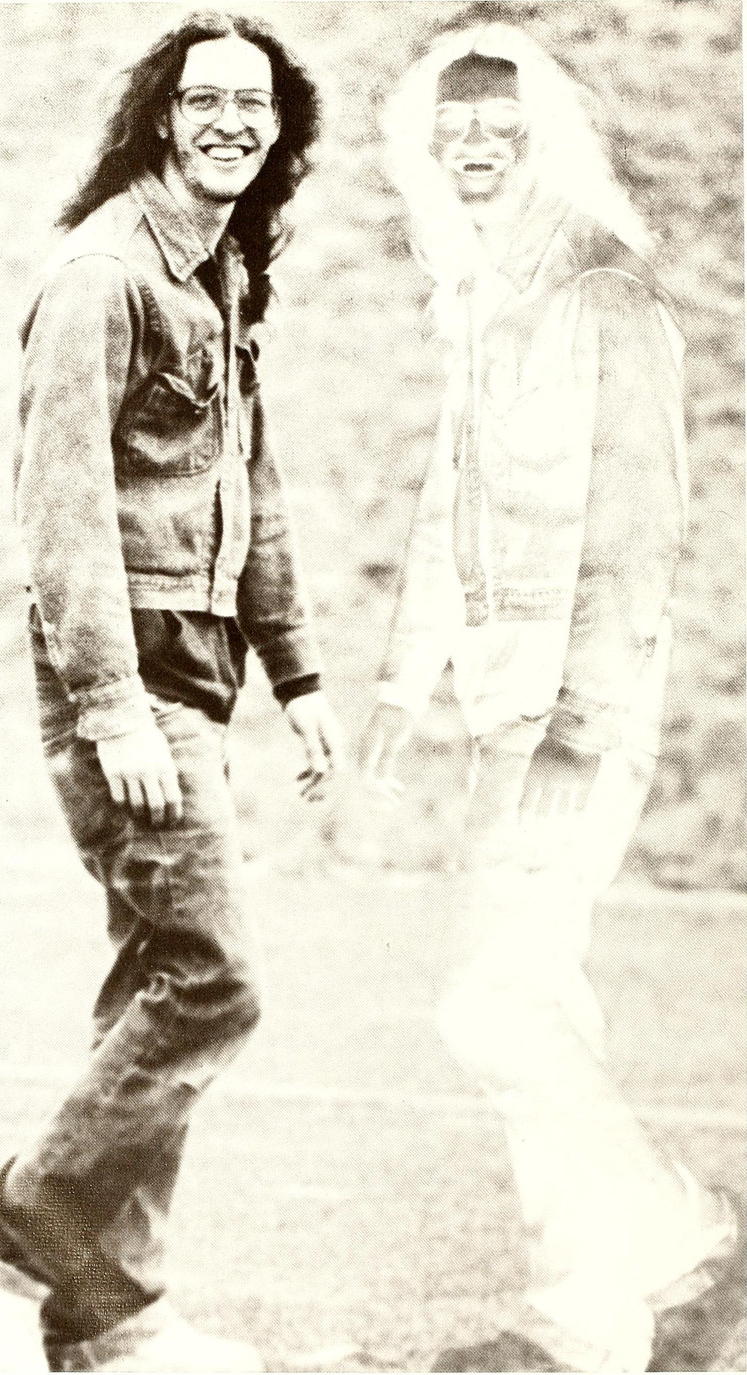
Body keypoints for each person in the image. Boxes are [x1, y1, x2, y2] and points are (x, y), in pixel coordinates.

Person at [0, 10, 343, 1373]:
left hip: (201, 672)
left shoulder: (221, 271)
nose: (232, 122)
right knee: (216, 980)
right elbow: (58, 511)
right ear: (162, 119)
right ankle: (5, 1236)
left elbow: (251, 486)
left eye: (255, 103)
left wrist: (297, 673)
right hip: (125, 681)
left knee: (154, 983)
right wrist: (114, 707)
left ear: (279, 129)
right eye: (205, 99)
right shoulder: (101, 278)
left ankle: (108, 1319)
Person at [361, 18, 741, 1374]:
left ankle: (688, 1231)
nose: (474, 143)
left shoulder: (603, 296)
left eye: (500, 122)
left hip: (578, 712)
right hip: (499, 713)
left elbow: (638, 532)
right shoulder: (483, 297)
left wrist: (579, 724)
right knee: (536, 997)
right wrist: (398, 696)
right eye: (451, 124)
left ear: (548, 137)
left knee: (489, 1005)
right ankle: (587, 1315)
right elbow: (448, 509)